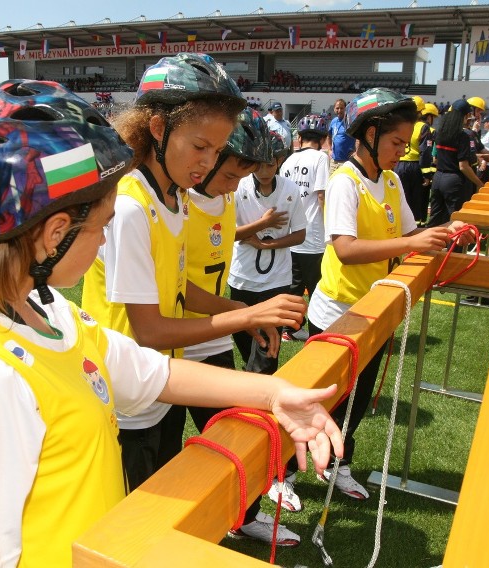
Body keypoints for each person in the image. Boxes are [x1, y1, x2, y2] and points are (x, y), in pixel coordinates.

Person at [0, 79, 344, 567]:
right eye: (100, 225)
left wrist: (273, 395)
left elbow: (150, 372)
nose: (103, 242)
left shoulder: (50, 313)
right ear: (56, 232)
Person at [81, 54, 307, 494]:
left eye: (217, 151)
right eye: (200, 146)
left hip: (159, 389)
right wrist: (243, 318)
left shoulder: (175, 196)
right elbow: (147, 330)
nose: (208, 162)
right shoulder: (130, 206)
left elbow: (179, 286)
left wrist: (247, 309)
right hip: (125, 404)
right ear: (159, 128)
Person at [305, 89, 475, 500]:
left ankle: (340, 463)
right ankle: (283, 476)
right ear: (369, 134)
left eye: (406, 142)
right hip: (336, 313)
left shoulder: (393, 180)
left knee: (358, 400)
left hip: (375, 311)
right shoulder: (344, 181)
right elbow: (345, 249)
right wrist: (409, 244)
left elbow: (408, 233)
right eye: (397, 142)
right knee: (321, 403)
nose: (403, 150)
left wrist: (440, 232)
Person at [184, 108, 303, 546]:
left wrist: (242, 314)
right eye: (232, 174)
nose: (237, 186)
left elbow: (222, 244)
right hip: (167, 346)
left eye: (242, 176)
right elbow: (179, 290)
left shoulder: (223, 197)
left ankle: (244, 514)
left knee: (237, 435)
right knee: (157, 457)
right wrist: (246, 313)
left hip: (210, 334)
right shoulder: (177, 202)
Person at [228, 130, 306, 372]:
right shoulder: (238, 188)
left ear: (280, 161)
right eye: (259, 164)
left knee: (267, 353)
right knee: (245, 339)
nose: (265, 171)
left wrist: (266, 244)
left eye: (270, 164)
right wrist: (263, 224)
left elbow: (300, 234)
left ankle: (259, 392)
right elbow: (226, 234)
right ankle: (251, 378)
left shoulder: (291, 190)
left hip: (276, 280)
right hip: (243, 278)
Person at [279, 113, 331, 342]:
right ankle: (315, 332)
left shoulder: (289, 160)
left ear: (299, 137)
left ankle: (288, 330)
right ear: (323, 138)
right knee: (318, 288)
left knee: (294, 286)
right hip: (314, 235)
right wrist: (330, 226)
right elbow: (321, 194)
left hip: (292, 235)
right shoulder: (320, 158)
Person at [426, 98, 484, 227]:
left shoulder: (440, 132)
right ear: (465, 115)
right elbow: (463, 166)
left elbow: (435, 158)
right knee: (454, 219)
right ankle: (453, 247)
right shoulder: (462, 136)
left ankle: (426, 246)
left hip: (438, 178)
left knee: (435, 218)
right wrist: (479, 182)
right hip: (454, 181)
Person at [394, 95, 432, 226]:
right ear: (421, 111)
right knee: (416, 201)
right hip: (414, 166)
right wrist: (426, 175)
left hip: (399, 165)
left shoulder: (401, 124)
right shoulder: (423, 127)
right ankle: (415, 229)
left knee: (401, 199)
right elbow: (425, 152)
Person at [328, 98, 356, 175]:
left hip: (346, 161)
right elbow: (329, 135)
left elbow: (358, 136)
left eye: (341, 108)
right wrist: (329, 149)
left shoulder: (350, 122)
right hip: (334, 161)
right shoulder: (333, 121)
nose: (339, 110)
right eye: (337, 108)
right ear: (334, 109)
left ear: (345, 109)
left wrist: (355, 151)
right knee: (331, 183)